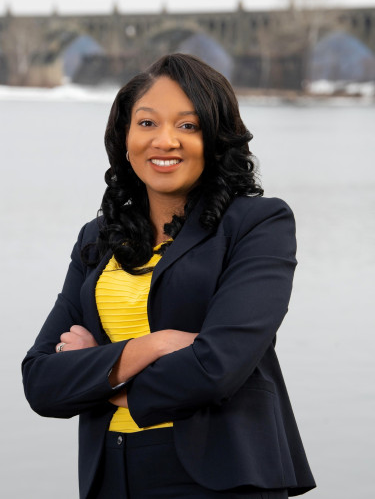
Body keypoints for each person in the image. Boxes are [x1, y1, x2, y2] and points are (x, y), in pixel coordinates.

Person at [22, 53, 316, 499]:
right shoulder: (98, 238)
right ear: (124, 137)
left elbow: (218, 366)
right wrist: (153, 346)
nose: (165, 141)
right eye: (146, 123)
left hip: (221, 478)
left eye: (188, 125)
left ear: (216, 139)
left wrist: (103, 377)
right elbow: (42, 380)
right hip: (112, 475)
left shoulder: (258, 224)